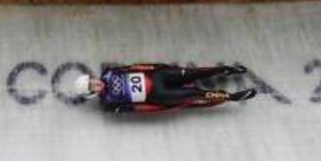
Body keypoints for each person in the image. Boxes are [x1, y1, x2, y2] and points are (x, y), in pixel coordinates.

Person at [74, 63, 256, 113]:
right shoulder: (109, 103)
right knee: (195, 93)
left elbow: (135, 67)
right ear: (92, 94)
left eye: (92, 81)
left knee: (192, 73)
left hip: (158, 76)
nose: (96, 84)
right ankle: (231, 97)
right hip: (159, 95)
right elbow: (137, 109)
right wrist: (160, 107)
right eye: (92, 87)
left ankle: (224, 70)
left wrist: (157, 67)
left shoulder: (109, 72)